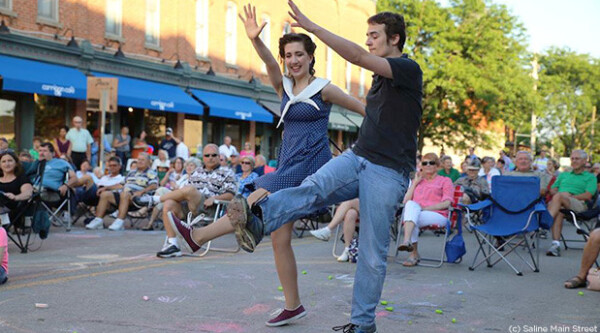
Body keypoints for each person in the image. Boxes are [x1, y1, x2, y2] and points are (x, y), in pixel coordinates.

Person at [168, 4, 416, 332]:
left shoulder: (347, 83)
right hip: (327, 160)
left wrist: (398, 135)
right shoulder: (287, 88)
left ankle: (199, 237)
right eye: (289, 55)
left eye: (299, 54)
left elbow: (361, 99)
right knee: (279, 235)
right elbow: (269, 62)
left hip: (325, 165)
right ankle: (292, 304)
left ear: (311, 57)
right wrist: (255, 40)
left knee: (257, 198)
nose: (293, 60)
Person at [133, 144, 237, 257]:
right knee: (169, 204)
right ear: (203, 157)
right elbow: (185, 193)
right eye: (207, 155)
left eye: (214, 155)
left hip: (209, 207)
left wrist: (215, 198)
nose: (210, 157)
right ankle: (173, 245)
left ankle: (154, 200)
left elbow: (230, 195)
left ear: (219, 156)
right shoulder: (196, 172)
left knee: (190, 190)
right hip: (189, 207)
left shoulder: (227, 172)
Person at [397, 153, 453, 267]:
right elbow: (405, 201)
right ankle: (411, 249)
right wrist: (415, 183)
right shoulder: (417, 181)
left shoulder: (445, 181)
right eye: (424, 163)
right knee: (411, 207)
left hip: (438, 215)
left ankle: (411, 250)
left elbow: (447, 203)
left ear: (437, 166)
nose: (428, 165)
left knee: (412, 217)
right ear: (421, 166)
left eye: (431, 163)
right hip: (417, 214)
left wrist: (425, 208)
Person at [85, 153, 158, 231]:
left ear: (148, 162)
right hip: (124, 195)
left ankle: (119, 221)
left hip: (139, 198)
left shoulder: (151, 172)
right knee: (105, 194)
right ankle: (98, 220)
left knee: (124, 194)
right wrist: (106, 188)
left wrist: (142, 192)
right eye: (139, 159)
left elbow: (154, 185)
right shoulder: (131, 172)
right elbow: (121, 185)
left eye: (142, 160)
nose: (140, 161)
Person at [546, 150, 596, 257]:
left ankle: (545, 221)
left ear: (584, 161)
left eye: (577, 159)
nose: (574, 161)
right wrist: (560, 196)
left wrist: (568, 196)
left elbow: (588, 195)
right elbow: (552, 189)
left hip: (579, 203)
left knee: (559, 197)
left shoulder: (590, 177)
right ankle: (555, 245)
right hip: (560, 203)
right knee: (559, 211)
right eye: (572, 159)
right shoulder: (564, 175)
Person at [141, 158, 199, 231]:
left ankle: (147, 208)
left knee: (161, 190)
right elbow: (173, 186)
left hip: (184, 203)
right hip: (175, 198)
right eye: (187, 165)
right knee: (162, 198)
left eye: (191, 165)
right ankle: (151, 222)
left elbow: (185, 191)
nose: (189, 167)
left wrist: (175, 187)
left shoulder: (196, 178)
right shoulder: (184, 177)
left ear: (196, 168)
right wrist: (174, 184)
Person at [0, 151, 33, 228]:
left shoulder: (21, 178)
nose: (7, 164)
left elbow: (28, 193)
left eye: (10, 161)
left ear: (16, 163)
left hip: (11, 209)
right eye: (3, 161)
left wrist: (15, 197)